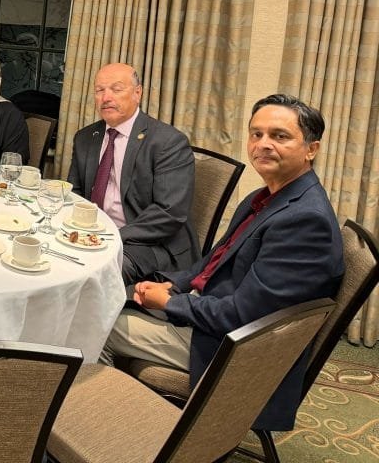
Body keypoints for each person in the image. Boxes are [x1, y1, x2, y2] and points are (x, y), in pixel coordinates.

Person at [102, 94, 344, 431]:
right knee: (109, 301)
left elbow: (244, 316)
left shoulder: (305, 221)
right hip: (212, 316)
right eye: (256, 134)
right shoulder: (267, 197)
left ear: (311, 149)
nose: (263, 144)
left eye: (280, 136)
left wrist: (171, 303)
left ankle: (110, 429)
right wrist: (175, 284)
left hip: (234, 350)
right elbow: (213, 263)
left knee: (98, 325)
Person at [67, 63, 197, 284]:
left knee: (96, 273)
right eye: (99, 90)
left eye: (116, 89)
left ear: (138, 93)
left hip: (150, 244)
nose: (106, 97)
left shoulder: (168, 142)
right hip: (93, 235)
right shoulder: (86, 137)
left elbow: (169, 213)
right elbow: (75, 193)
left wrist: (111, 236)